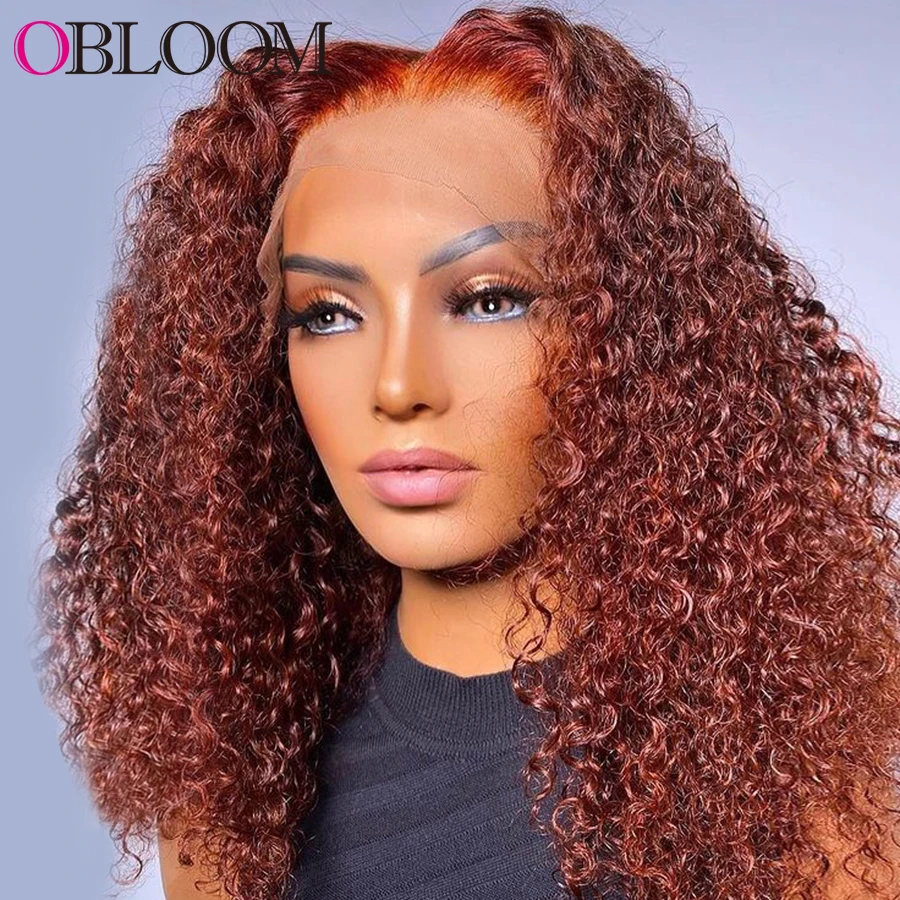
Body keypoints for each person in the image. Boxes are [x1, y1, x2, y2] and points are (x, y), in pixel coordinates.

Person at [30, 4, 900, 900]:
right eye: (327, 314)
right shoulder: (236, 773)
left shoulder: (770, 775)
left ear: (628, 334)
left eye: (489, 300)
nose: (398, 386)